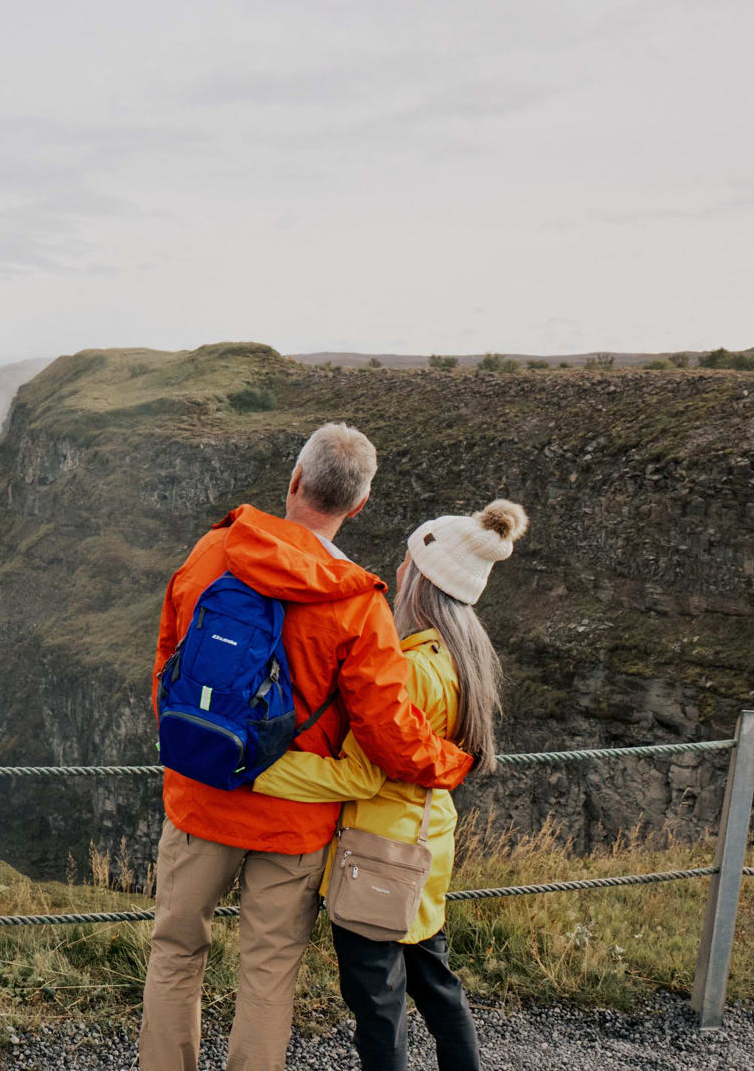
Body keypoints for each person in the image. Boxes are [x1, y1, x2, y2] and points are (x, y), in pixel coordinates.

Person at [139, 423, 476, 1071]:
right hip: (294, 826)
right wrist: (452, 762)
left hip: (204, 796)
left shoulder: (212, 552)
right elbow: (389, 732)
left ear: (295, 480)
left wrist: (196, 750)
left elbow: (168, 663)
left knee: (176, 953)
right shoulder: (359, 605)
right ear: (359, 505)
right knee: (268, 973)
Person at [253, 498, 528, 1071]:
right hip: (426, 846)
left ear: (422, 581)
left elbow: (359, 773)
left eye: (407, 562)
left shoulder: (409, 670)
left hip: (378, 855)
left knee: (377, 1005)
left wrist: (261, 770)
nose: (398, 571)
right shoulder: (462, 660)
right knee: (436, 985)